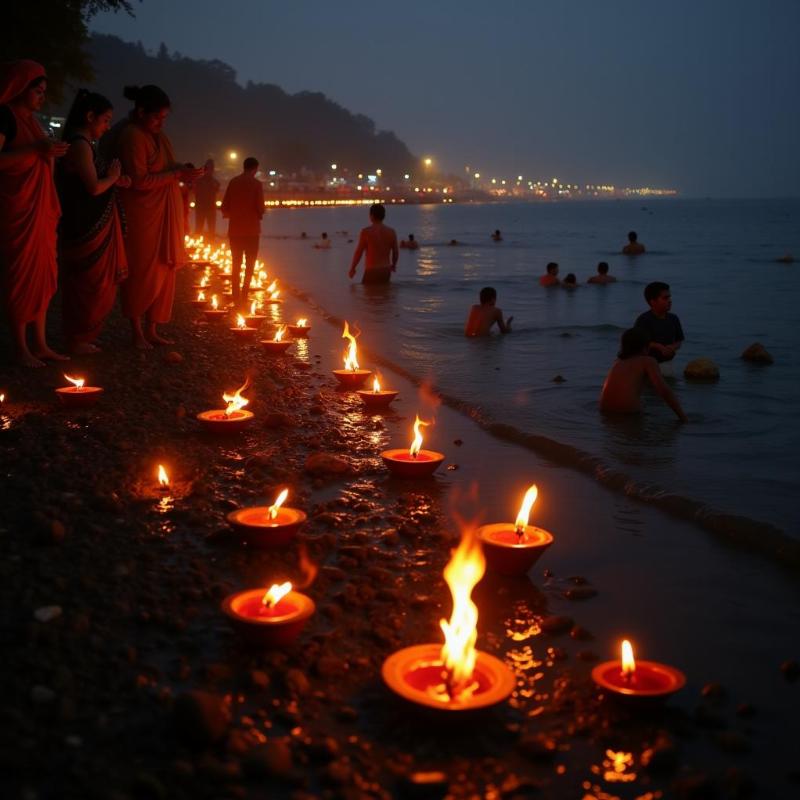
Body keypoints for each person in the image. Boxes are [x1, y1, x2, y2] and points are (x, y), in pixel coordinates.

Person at [105, 84, 201, 349]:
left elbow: (169, 168)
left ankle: (153, 328)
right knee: (142, 271)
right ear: (140, 112)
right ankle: (136, 331)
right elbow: (138, 180)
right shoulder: (133, 136)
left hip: (164, 212)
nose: (160, 122)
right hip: (142, 215)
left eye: (164, 118)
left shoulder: (161, 138)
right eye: (156, 117)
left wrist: (183, 170)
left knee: (165, 268)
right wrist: (176, 175)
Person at [0, 60, 70, 367]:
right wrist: (36, 151)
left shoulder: (34, 122)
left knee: (43, 273)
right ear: (19, 88)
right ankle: (21, 347)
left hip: (40, 210)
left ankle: (40, 343)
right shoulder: (5, 117)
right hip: (17, 208)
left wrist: (49, 152)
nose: (42, 96)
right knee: (20, 275)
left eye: (44, 91)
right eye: (37, 90)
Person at [56, 90, 130, 354]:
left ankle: (84, 335)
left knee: (97, 282)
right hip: (84, 226)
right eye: (105, 120)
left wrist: (115, 180)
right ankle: (77, 339)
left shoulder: (87, 144)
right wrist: (112, 177)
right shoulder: (79, 144)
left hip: (91, 224)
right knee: (88, 283)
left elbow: (100, 182)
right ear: (90, 117)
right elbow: (93, 187)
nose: (108, 126)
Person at [600, 327, 687, 421]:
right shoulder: (648, 361)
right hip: (628, 413)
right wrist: (682, 417)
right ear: (645, 347)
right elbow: (664, 390)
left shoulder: (618, 362)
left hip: (605, 412)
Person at [220, 156, 265, 307]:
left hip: (235, 230)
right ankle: (245, 293)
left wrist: (232, 214)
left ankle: (235, 294)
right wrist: (259, 213)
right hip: (252, 230)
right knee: (250, 263)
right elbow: (260, 207)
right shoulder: (257, 184)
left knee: (236, 263)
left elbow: (224, 205)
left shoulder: (233, 182)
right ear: (255, 168)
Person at [634, 281, 684, 363]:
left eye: (669, 297)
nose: (669, 301)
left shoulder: (673, 318)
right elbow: (637, 342)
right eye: (665, 298)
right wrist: (659, 347)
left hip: (668, 362)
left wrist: (672, 347)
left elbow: (679, 340)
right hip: (646, 363)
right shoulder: (644, 319)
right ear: (653, 301)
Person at [348, 203, 398, 284]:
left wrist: (353, 268)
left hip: (371, 270)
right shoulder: (391, 232)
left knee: (369, 294)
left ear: (371, 216)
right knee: (385, 294)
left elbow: (359, 252)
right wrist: (394, 265)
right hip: (385, 270)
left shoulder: (366, 232)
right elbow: (395, 252)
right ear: (384, 216)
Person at [193, 158, 219, 238]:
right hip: (203, 207)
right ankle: (199, 242)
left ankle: (209, 242)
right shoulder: (199, 181)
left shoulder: (215, 182)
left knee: (210, 228)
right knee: (199, 227)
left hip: (209, 207)